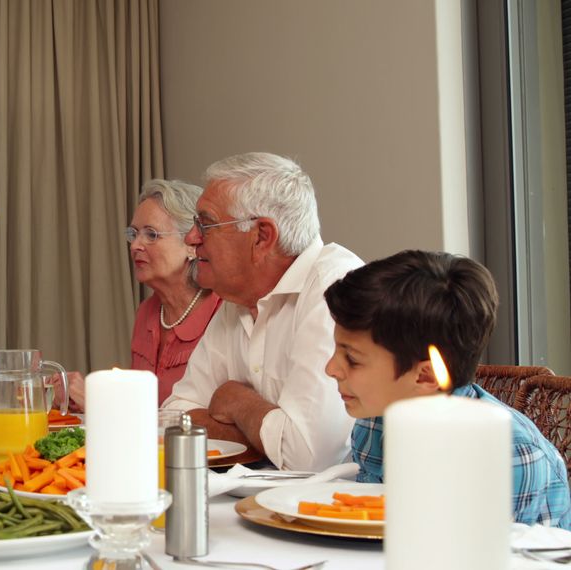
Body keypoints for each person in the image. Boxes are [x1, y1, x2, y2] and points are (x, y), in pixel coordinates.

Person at [324, 250, 570, 529]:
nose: (330, 368)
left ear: (426, 376)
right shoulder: (375, 420)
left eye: (352, 359)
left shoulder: (506, 457)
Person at [162, 152, 363, 471]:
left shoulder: (334, 289)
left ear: (262, 237)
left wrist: (237, 400)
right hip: (252, 503)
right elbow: (174, 419)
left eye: (206, 224)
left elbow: (307, 459)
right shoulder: (237, 298)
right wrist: (263, 432)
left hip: (332, 511)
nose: (191, 238)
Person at [61, 180, 223, 411]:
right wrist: (79, 397)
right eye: (133, 233)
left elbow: (208, 419)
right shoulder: (147, 311)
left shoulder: (222, 312)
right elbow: (142, 406)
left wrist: (100, 403)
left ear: (192, 243)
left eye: (152, 235)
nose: (135, 245)